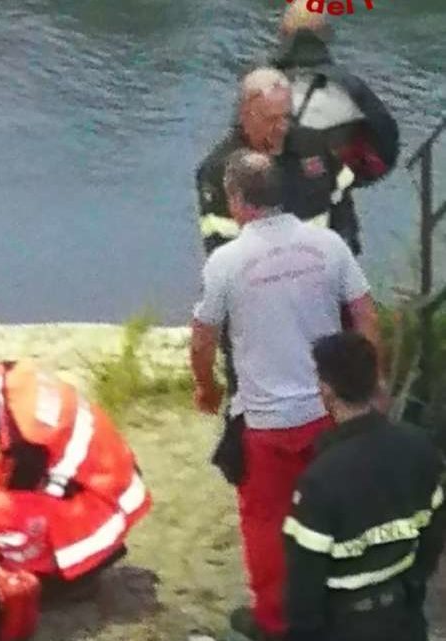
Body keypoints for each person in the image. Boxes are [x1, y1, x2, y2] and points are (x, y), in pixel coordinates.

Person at [189, 150, 384, 640]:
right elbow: (365, 314)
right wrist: (370, 382)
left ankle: (275, 621)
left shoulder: (226, 262)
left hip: (266, 420)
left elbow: (203, 338)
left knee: (266, 521)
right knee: (336, 512)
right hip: (329, 409)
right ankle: (337, 608)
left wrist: (207, 387)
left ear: (237, 201)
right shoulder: (328, 244)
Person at [0, 362, 151, 582]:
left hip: (104, 503)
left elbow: (16, 492)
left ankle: (56, 574)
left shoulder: (28, 437)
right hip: (109, 472)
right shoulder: (4, 378)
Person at [284, 332, 446, 641]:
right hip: (404, 622)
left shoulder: (319, 481)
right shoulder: (420, 449)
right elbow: (432, 538)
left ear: (326, 390)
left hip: (345, 626)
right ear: (375, 383)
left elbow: (304, 589)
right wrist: (410, 589)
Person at [271, 5, 400, 255]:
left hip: (272, 226)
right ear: (326, 35)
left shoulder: (260, 88)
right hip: (335, 225)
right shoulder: (349, 90)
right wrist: (349, 177)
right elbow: (386, 150)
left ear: (282, 34)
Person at [196, 67, 360, 256]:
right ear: (246, 115)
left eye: (286, 116)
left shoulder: (315, 147)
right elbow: (220, 246)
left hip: (322, 270)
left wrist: (345, 253)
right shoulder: (217, 171)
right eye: (272, 119)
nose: (282, 127)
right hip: (263, 278)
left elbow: (342, 205)